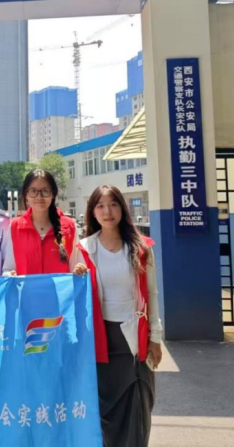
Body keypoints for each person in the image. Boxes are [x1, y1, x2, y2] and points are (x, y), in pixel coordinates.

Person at [72, 186, 163, 447]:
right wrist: (76, 276)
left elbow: (151, 293)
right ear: (92, 212)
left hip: (134, 340)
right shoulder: (84, 249)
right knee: (105, 414)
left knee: (138, 409)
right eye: (100, 206)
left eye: (113, 204)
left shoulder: (140, 247)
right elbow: (75, 297)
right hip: (101, 341)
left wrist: (155, 337)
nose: (107, 211)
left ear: (122, 208)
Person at [2, 168, 77, 276]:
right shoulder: (15, 227)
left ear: (53, 194)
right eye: (33, 191)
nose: (39, 197)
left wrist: (80, 270)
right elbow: (8, 268)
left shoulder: (70, 226)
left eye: (45, 191)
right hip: (26, 288)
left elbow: (76, 268)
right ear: (26, 195)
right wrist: (9, 274)